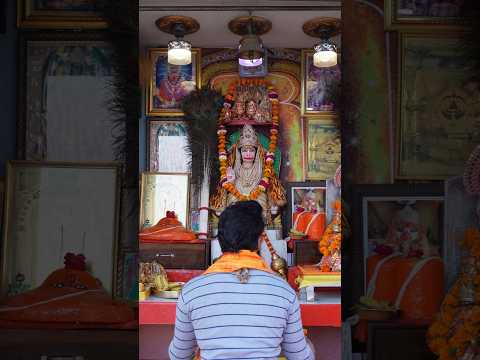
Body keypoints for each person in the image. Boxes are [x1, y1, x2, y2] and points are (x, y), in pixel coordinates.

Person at [168, 201, 314, 360]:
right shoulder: (283, 292)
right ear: (259, 241)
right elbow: (301, 357)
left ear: (220, 240)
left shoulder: (191, 292)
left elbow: (178, 355)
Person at [210, 125, 286, 226]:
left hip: (257, 201)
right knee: (232, 200)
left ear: (257, 152)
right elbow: (225, 189)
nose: (248, 154)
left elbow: (271, 187)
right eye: (245, 151)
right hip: (236, 198)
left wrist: (271, 202)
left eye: (252, 151)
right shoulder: (232, 168)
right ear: (239, 152)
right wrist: (231, 181)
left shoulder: (264, 169)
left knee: (261, 201)